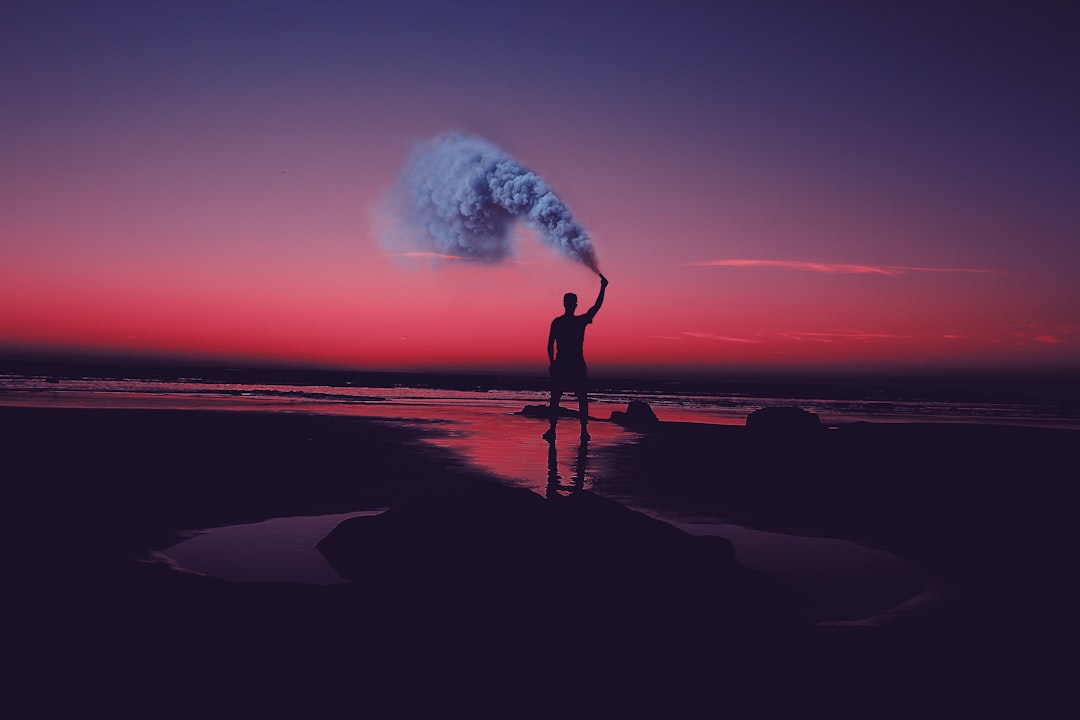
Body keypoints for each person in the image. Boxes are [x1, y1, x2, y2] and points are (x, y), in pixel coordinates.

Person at [543, 273, 608, 442]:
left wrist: (552, 363)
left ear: (565, 304)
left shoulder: (557, 322)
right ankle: (583, 431)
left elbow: (550, 345)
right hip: (575, 363)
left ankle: (553, 430)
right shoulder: (578, 321)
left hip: (563, 363)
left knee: (556, 398)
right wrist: (603, 288)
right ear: (575, 305)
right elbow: (596, 307)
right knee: (580, 397)